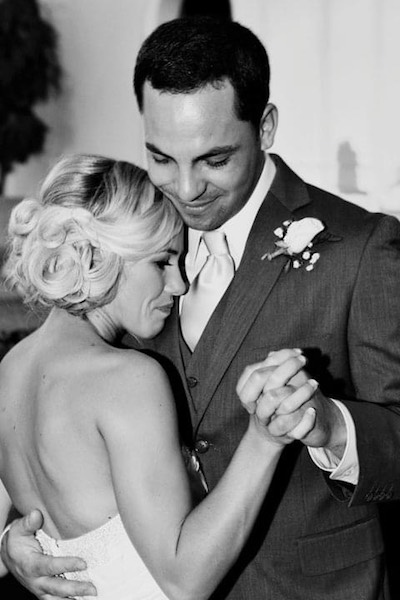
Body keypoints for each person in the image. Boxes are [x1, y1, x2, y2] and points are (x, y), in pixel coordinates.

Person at [3, 15, 400, 600]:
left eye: (214, 159)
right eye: (162, 158)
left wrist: (329, 426)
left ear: (264, 127)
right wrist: (18, 541)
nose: (185, 190)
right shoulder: (126, 239)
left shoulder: (362, 248)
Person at [0, 153, 317, 600]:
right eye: (161, 262)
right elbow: (185, 581)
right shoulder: (126, 379)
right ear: (95, 257)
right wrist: (264, 440)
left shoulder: (10, 369)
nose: (179, 284)